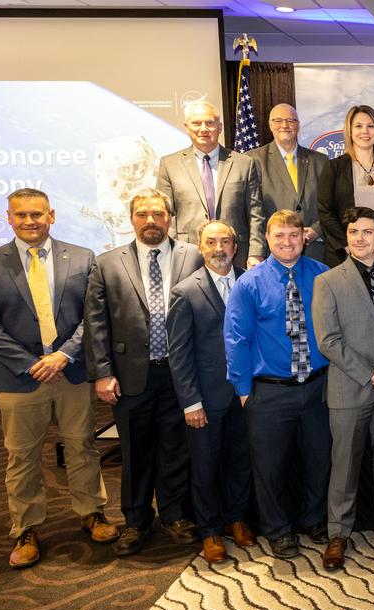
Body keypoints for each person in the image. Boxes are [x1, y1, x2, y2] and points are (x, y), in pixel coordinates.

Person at [0, 188, 117, 569]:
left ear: (51, 215)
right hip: (20, 378)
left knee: (82, 446)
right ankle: (26, 528)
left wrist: (63, 355)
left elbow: (93, 316)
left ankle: (92, 513)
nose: (30, 221)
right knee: (22, 456)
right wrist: (32, 363)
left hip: (71, 371)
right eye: (21, 215)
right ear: (9, 218)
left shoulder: (82, 258)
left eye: (37, 214)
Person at [84, 189, 205, 557]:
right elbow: (96, 323)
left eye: (157, 213)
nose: (150, 221)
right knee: (135, 450)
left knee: (175, 447)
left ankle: (174, 516)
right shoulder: (107, 263)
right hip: (130, 374)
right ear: (131, 218)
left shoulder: (193, 256)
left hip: (179, 373)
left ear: (169, 217)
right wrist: (102, 373)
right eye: (142, 214)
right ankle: (136, 521)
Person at [224, 209, 332, 559]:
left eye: (294, 235)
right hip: (268, 391)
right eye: (280, 236)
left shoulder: (323, 276)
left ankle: (314, 519)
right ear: (268, 240)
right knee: (270, 467)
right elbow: (236, 339)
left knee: (319, 459)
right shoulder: (249, 283)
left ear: (304, 238)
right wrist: (242, 389)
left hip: (317, 387)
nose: (288, 242)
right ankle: (278, 530)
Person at [313, 207, 374, 571]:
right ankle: (338, 532)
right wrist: (370, 373)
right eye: (353, 231)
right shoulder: (328, 281)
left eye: (367, 232)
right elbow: (328, 341)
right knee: (345, 465)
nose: (359, 238)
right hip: (349, 388)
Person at [165, 221, 254, 564]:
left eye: (226, 241)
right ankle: (209, 531)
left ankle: (236, 519)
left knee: (240, 460)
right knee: (204, 466)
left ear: (235, 245)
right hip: (205, 398)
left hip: (246, 395)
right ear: (200, 248)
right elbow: (180, 353)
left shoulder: (249, 282)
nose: (219, 248)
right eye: (211, 242)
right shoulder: (185, 292)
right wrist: (190, 402)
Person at [155, 100, 265, 268]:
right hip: (187, 254)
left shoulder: (244, 163)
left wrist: (256, 252)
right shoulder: (169, 164)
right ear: (187, 127)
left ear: (219, 127)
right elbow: (166, 214)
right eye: (196, 123)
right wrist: (171, 252)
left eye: (209, 123)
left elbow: (255, 212)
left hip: (236, 254)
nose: (203, 129)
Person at [318, 105, 374, 268]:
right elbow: (325, 211)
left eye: (371, 126)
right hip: (344, 257)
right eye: (358, 126)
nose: (365, 131)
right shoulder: (334, 167)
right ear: (349, 131)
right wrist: (349, 245)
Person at [248, 104, 329, 263]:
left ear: (298, 125)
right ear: (270, 125)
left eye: (291, 120)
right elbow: (252, 208)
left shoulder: (321, 161)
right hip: (274, 251)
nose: (284, 125)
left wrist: (316, 230)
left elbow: (330, 204)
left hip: (315, 251)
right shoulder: (252, 160)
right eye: (278, 120)